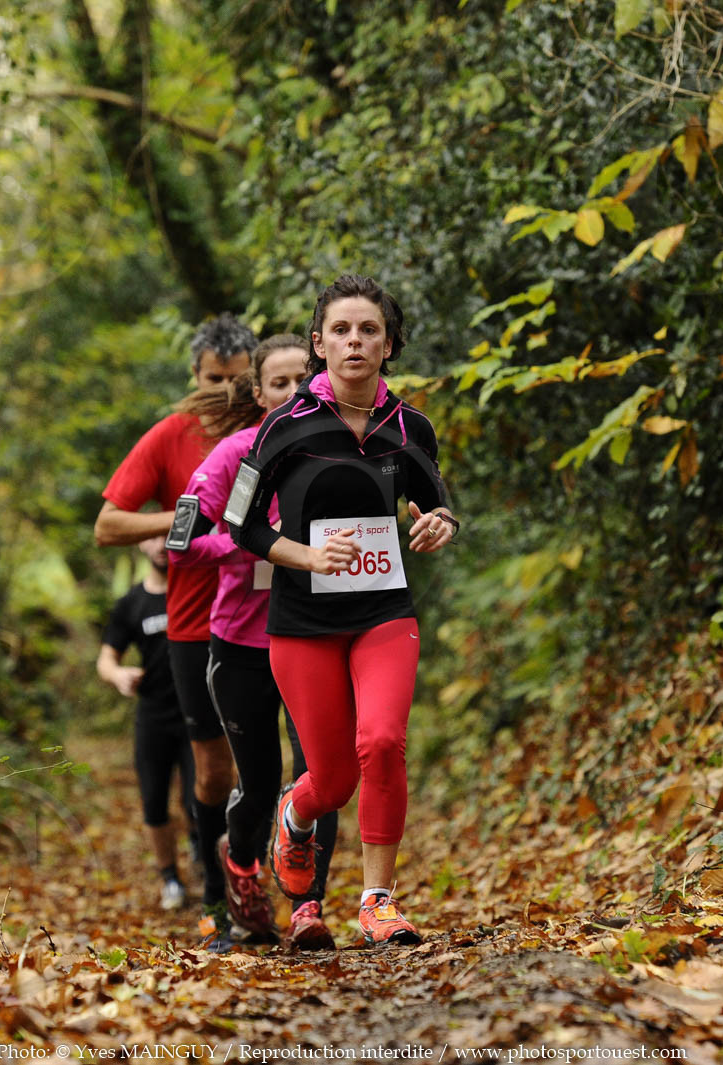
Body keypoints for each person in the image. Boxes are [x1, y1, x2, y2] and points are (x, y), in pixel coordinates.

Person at [229, 275, 459, 948]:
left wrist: (439, 523)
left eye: (368, 330)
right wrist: (305, 556)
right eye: (341, 330)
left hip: (384, 612)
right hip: (302, 622)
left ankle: (378, 901)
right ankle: (295, 816)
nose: (354, 341)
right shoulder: (284, 425)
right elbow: (241, 523)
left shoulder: (411, 426)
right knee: (331, 779)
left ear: (389, 344)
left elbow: (436, 502)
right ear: (319, 343)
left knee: (382, 741)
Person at [169, 336, 341, 950]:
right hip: (242, 643)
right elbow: (182, 542)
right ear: (259, 394)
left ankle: (307, 906)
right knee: (262, 782)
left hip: (317, 636)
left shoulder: (339, 449)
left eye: (303, 380)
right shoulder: (234, 454)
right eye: (279, 383)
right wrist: (254, 543)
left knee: (320, 774)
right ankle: (240, 864)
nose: (294, 392)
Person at [94, 313, 255, 950]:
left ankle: (274, 891)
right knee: (212, 770)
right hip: (195, 624)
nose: (226, 392)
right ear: (194, 375)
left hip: (272, 615)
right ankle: (214, 891)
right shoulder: (170, 435)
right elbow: (109, 524)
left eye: (237, 379)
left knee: (273, 762)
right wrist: (182, 517)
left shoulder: (274, 426)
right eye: (213, 379)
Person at [96, 536, 194, 911]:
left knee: (199, 799)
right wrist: (118, 675)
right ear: (141, 544)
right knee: (154, 802)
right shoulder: (131, 603)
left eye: (169, 533)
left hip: (197, 714)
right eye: (153, 536)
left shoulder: (198, 589)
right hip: (153, 717)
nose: (163, 544)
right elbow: (106, 660)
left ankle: (203, 854)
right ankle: (170, 878)